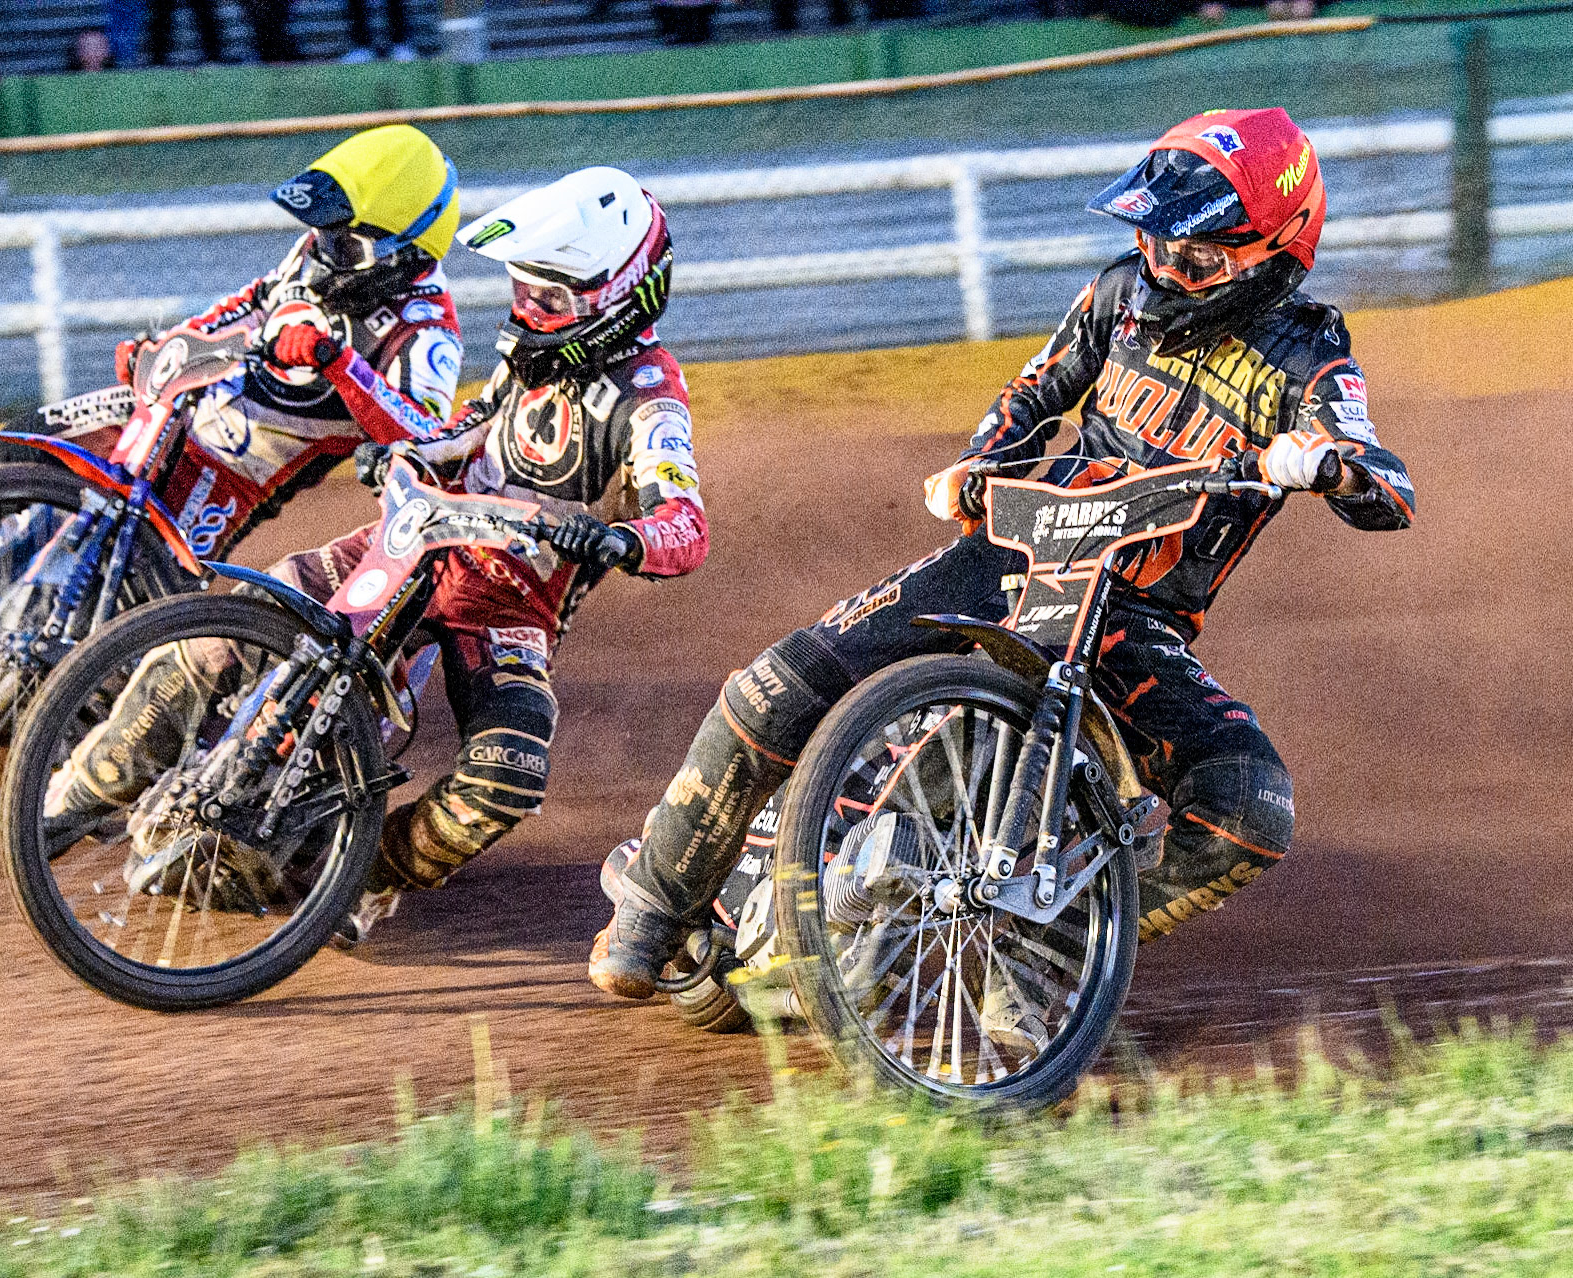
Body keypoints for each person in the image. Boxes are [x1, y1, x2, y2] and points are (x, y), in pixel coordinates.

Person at [589, 107, 1418, 1001]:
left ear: (1277, 250)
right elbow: (1032, 392)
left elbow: (1387, 484)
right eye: (1153, 244)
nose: (1165, 272)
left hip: (1134, 619)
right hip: (1014, 553)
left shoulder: (1312, 354)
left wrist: (1332, 465)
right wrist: (980, 462)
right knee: (777, 685)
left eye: (1197, 259)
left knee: (1251, 807)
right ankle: (651, 908)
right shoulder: (1116, 295)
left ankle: (1048, 960)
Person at [48, 166, 707, 950]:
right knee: (234, 626)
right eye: (524, 289)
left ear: (618, 297)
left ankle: (360, 881)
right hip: (416, 539)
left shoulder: (650, 398)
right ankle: (75, 789)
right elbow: (472, 425)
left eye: (550, 298)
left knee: (509, 775)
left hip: (509, 611)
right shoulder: (529, 354)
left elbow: (686, 523)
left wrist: (618, 538)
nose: (528, 310)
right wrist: (411, 448)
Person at [0, 124, 465, 703]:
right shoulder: (316, 257)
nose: (324, 251)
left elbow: (422, 439)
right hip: (167, 411)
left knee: (132, 644)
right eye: (321, 235)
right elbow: (248, 303)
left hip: (229, 480)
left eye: (345, 245)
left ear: (406, 250)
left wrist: (338, 362)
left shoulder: (426, 334)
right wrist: (164, 345)